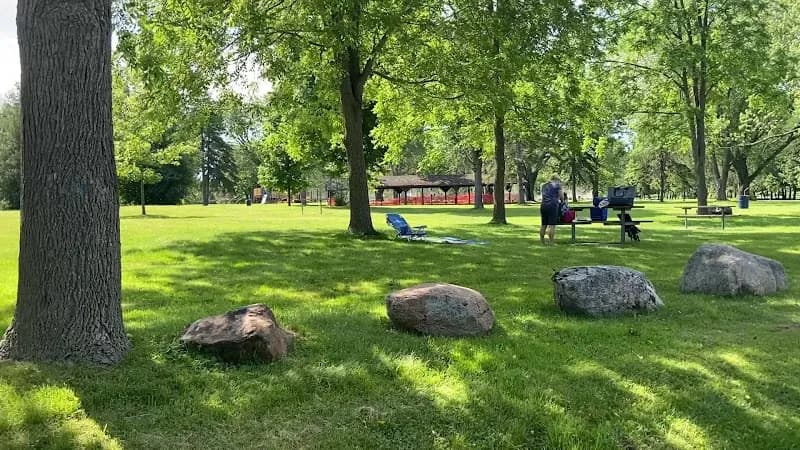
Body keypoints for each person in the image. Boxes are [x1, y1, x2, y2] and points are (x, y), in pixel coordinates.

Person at [539, 175, 563, 244]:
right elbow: (561, 196)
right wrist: (562, 200)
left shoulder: (544, 185)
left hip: (543, 205)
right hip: (552, 205)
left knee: (543, 224)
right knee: (552, 225)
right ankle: (551, 242)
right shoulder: (557, 185)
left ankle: (542, 241)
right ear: (557, 179)